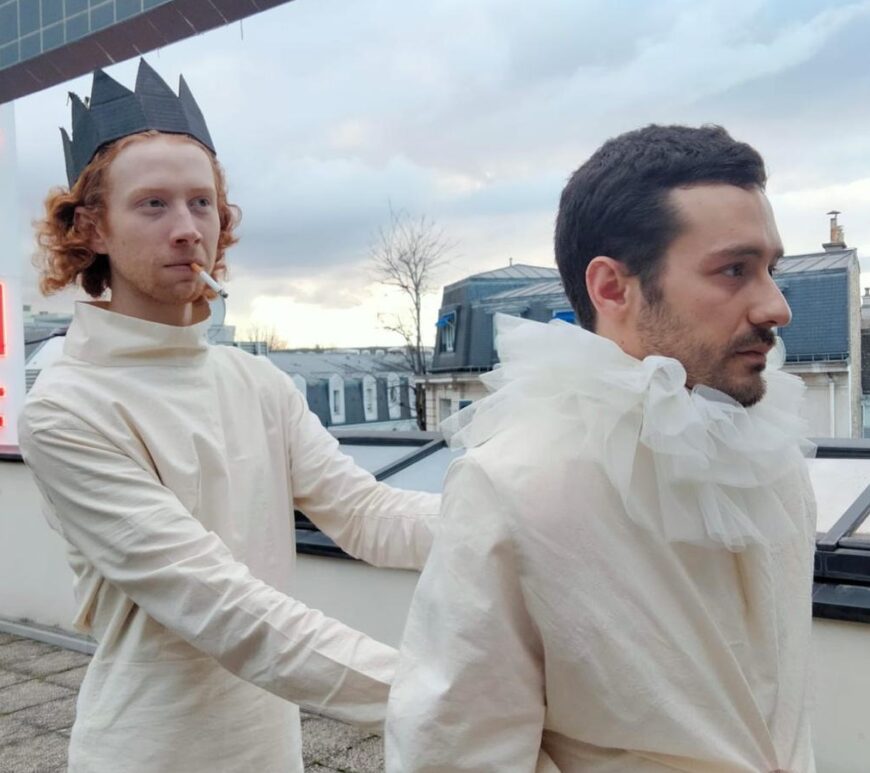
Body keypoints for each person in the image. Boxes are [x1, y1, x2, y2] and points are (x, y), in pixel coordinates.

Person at [19, 59, 439, 773]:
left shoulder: (254, 378)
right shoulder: (67, 405)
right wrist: (439, 695)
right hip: (148, 750)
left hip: (271, 747)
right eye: (153, 204)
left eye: (202, 202)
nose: (187, 228)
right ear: (91, 229)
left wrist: (521, 512)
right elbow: (221, 605)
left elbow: (367, 513)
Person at [386, 124, 817, 772]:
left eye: (770, 269)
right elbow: (451, 755)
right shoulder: (513, 485)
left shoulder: (773, 459)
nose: (777, 306)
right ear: (613, 288)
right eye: (735, 269)